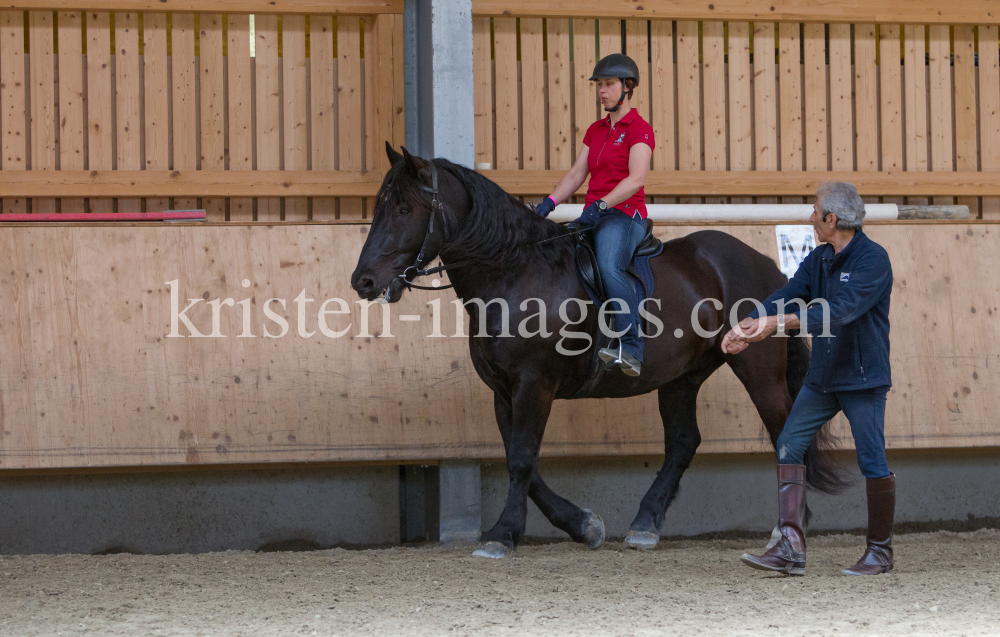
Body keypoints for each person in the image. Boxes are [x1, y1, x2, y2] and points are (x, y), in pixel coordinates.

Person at [720, 182, 895, 576]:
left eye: (815, 212)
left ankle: (880, 552)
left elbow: (838, 312)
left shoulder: (873, 261)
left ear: (832, 219)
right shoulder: (819, 258)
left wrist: (775, 326)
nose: (810, 218)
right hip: (823, 378)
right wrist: (749, 323)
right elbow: (791, 292)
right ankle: (790, 548)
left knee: (872, 460)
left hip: (862, 379)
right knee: (790, 444)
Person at [534, 53, 655, 377]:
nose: (603, 91)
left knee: (608, 265)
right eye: (599, 85)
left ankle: (631, 347)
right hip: (594, 213)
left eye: (609, 84)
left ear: (627, 87)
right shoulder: (596, 130)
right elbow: (576, 175)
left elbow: (635, 180)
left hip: (624, 214)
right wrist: (548, 203)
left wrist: (601, 206)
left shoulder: (639, 129)